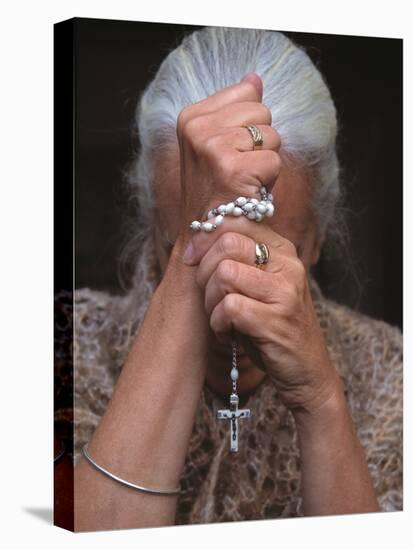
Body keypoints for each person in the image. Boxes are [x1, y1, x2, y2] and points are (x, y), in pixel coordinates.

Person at [69, 27, 402, 531]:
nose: (230, 303)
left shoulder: (394, 380)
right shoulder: (64, 351)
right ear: (154, 228)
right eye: (187, 241)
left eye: (264, 254)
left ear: (314, 239)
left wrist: (320, 401)